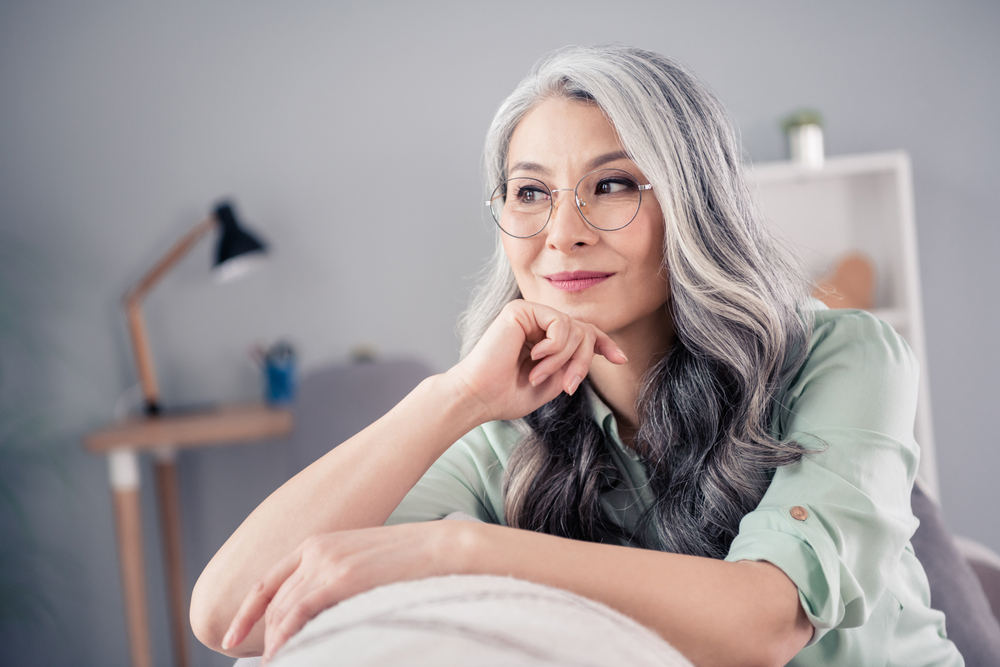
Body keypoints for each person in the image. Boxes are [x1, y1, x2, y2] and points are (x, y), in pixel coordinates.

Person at [190, 45, 963, 666]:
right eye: (530, 193)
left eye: (614, 183)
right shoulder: (504, 433)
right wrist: (454, 395)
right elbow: (229, 617)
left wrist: (460, 547)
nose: (563, 232)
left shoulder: (844, 357)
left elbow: (760, 626)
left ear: (695, 205)